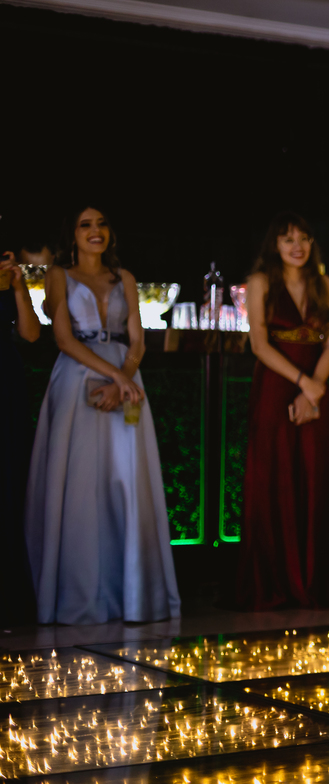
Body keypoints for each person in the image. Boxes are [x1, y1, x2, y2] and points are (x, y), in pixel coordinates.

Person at [25, 206, 180, 625]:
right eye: (85, 225)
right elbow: (61, 337)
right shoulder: (58, 275)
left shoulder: (125, 278)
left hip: (125, 381)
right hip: (76, 378)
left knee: (126, 481)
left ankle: (132, 596)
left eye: (102, 224)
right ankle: (76, 598)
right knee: (77, 486)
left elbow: (137, 342)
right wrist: (114, 376)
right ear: (72, 234)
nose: (96, 231)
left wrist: (123, 381)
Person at [237, 212, 329, 610]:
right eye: (287, 239)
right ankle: (272, 584)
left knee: (312, 481)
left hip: (315, 387)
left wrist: (314, 391)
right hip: (276, 387)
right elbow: (260, 345)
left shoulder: (324, 284)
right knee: (273, 480)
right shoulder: (262, 281)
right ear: (274, 245)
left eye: (303, 238)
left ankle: (309, 582)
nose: (297, 246)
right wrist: (304, 384)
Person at [0, 250, 41, 625]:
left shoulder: (7, 275)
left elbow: (30, 332)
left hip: (5, 378)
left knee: (9, 483)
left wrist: (18, 286)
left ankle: (9, 598)